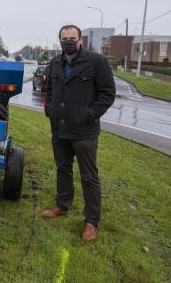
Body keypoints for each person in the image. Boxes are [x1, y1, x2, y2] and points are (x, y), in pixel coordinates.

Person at [42, 24, 116, 241]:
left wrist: (88, 115)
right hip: (60, 128)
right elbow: (50, 90)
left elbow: (107, 95)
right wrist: (50, 110)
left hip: (84, 131)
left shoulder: (96, 62)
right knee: (62, 169)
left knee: (89, 176)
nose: (68, 41)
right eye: (64, 38)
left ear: (80, 39)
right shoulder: (55, 62)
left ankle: (91, 221)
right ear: (60, 40)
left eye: (72, 37)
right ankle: (62, 206)